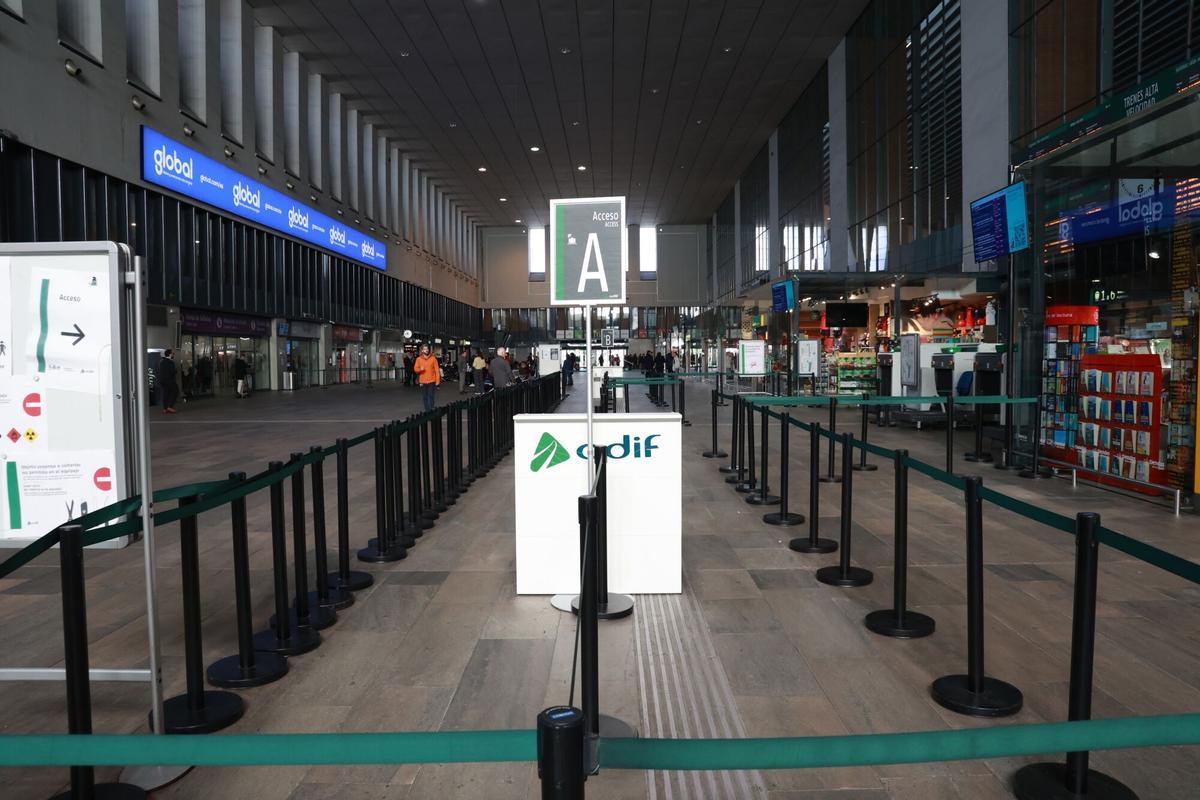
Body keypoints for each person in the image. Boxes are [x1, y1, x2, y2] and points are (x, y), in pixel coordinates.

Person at [413, 344, 440, 411]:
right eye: (425, 349)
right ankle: (427, 410)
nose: (426, 350)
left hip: (432, 381)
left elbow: (437, 370)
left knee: (431, 396)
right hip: (423, 381)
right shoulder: (418, 359)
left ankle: (431, 409)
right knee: (425, 397)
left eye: (427, 349)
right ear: (422, 350)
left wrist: (437, 381)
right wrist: (420, 369)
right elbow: (415, 369)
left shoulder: (433, 358)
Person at [155, 349, 179, 413]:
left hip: (162, 381)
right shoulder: (170, 362)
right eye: (173, 353)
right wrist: (176, 371)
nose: (173, 355)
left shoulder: (161, 361)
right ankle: (170, 406)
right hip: (169, 380)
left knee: (165, 394)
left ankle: (165, 408)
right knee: (175, 391)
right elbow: (172, 371)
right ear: (170, 354)